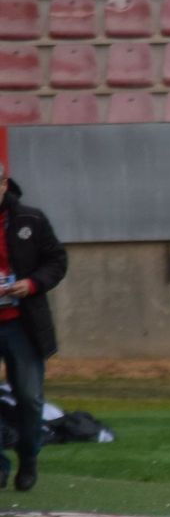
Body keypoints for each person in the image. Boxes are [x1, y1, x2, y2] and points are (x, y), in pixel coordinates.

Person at [0, 132, 67, 493]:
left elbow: (58, 260)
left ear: (4, 184)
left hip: (22, 324)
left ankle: (28, 458)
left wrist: (31, 284)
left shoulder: (31, 219)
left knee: (28, 396)